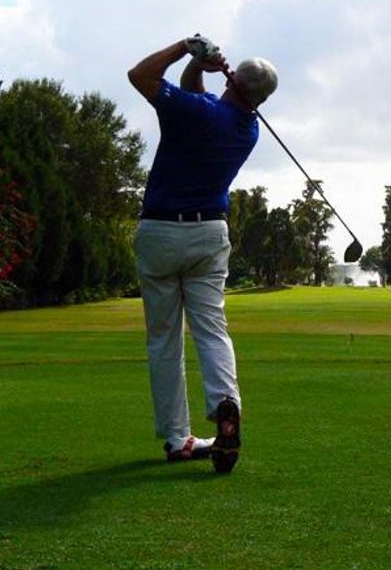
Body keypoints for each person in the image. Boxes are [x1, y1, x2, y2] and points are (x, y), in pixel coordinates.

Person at [127, 36, 278, 473]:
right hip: (209, 233)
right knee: (212, 330)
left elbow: (139, 76)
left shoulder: (195, 112)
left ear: (233, 81)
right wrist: (199, 66)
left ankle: (178, 438)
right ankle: (226, 402)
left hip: (161, 230)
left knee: (164, 339)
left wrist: (184, 47)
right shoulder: (246, 129)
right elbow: (199, 98)